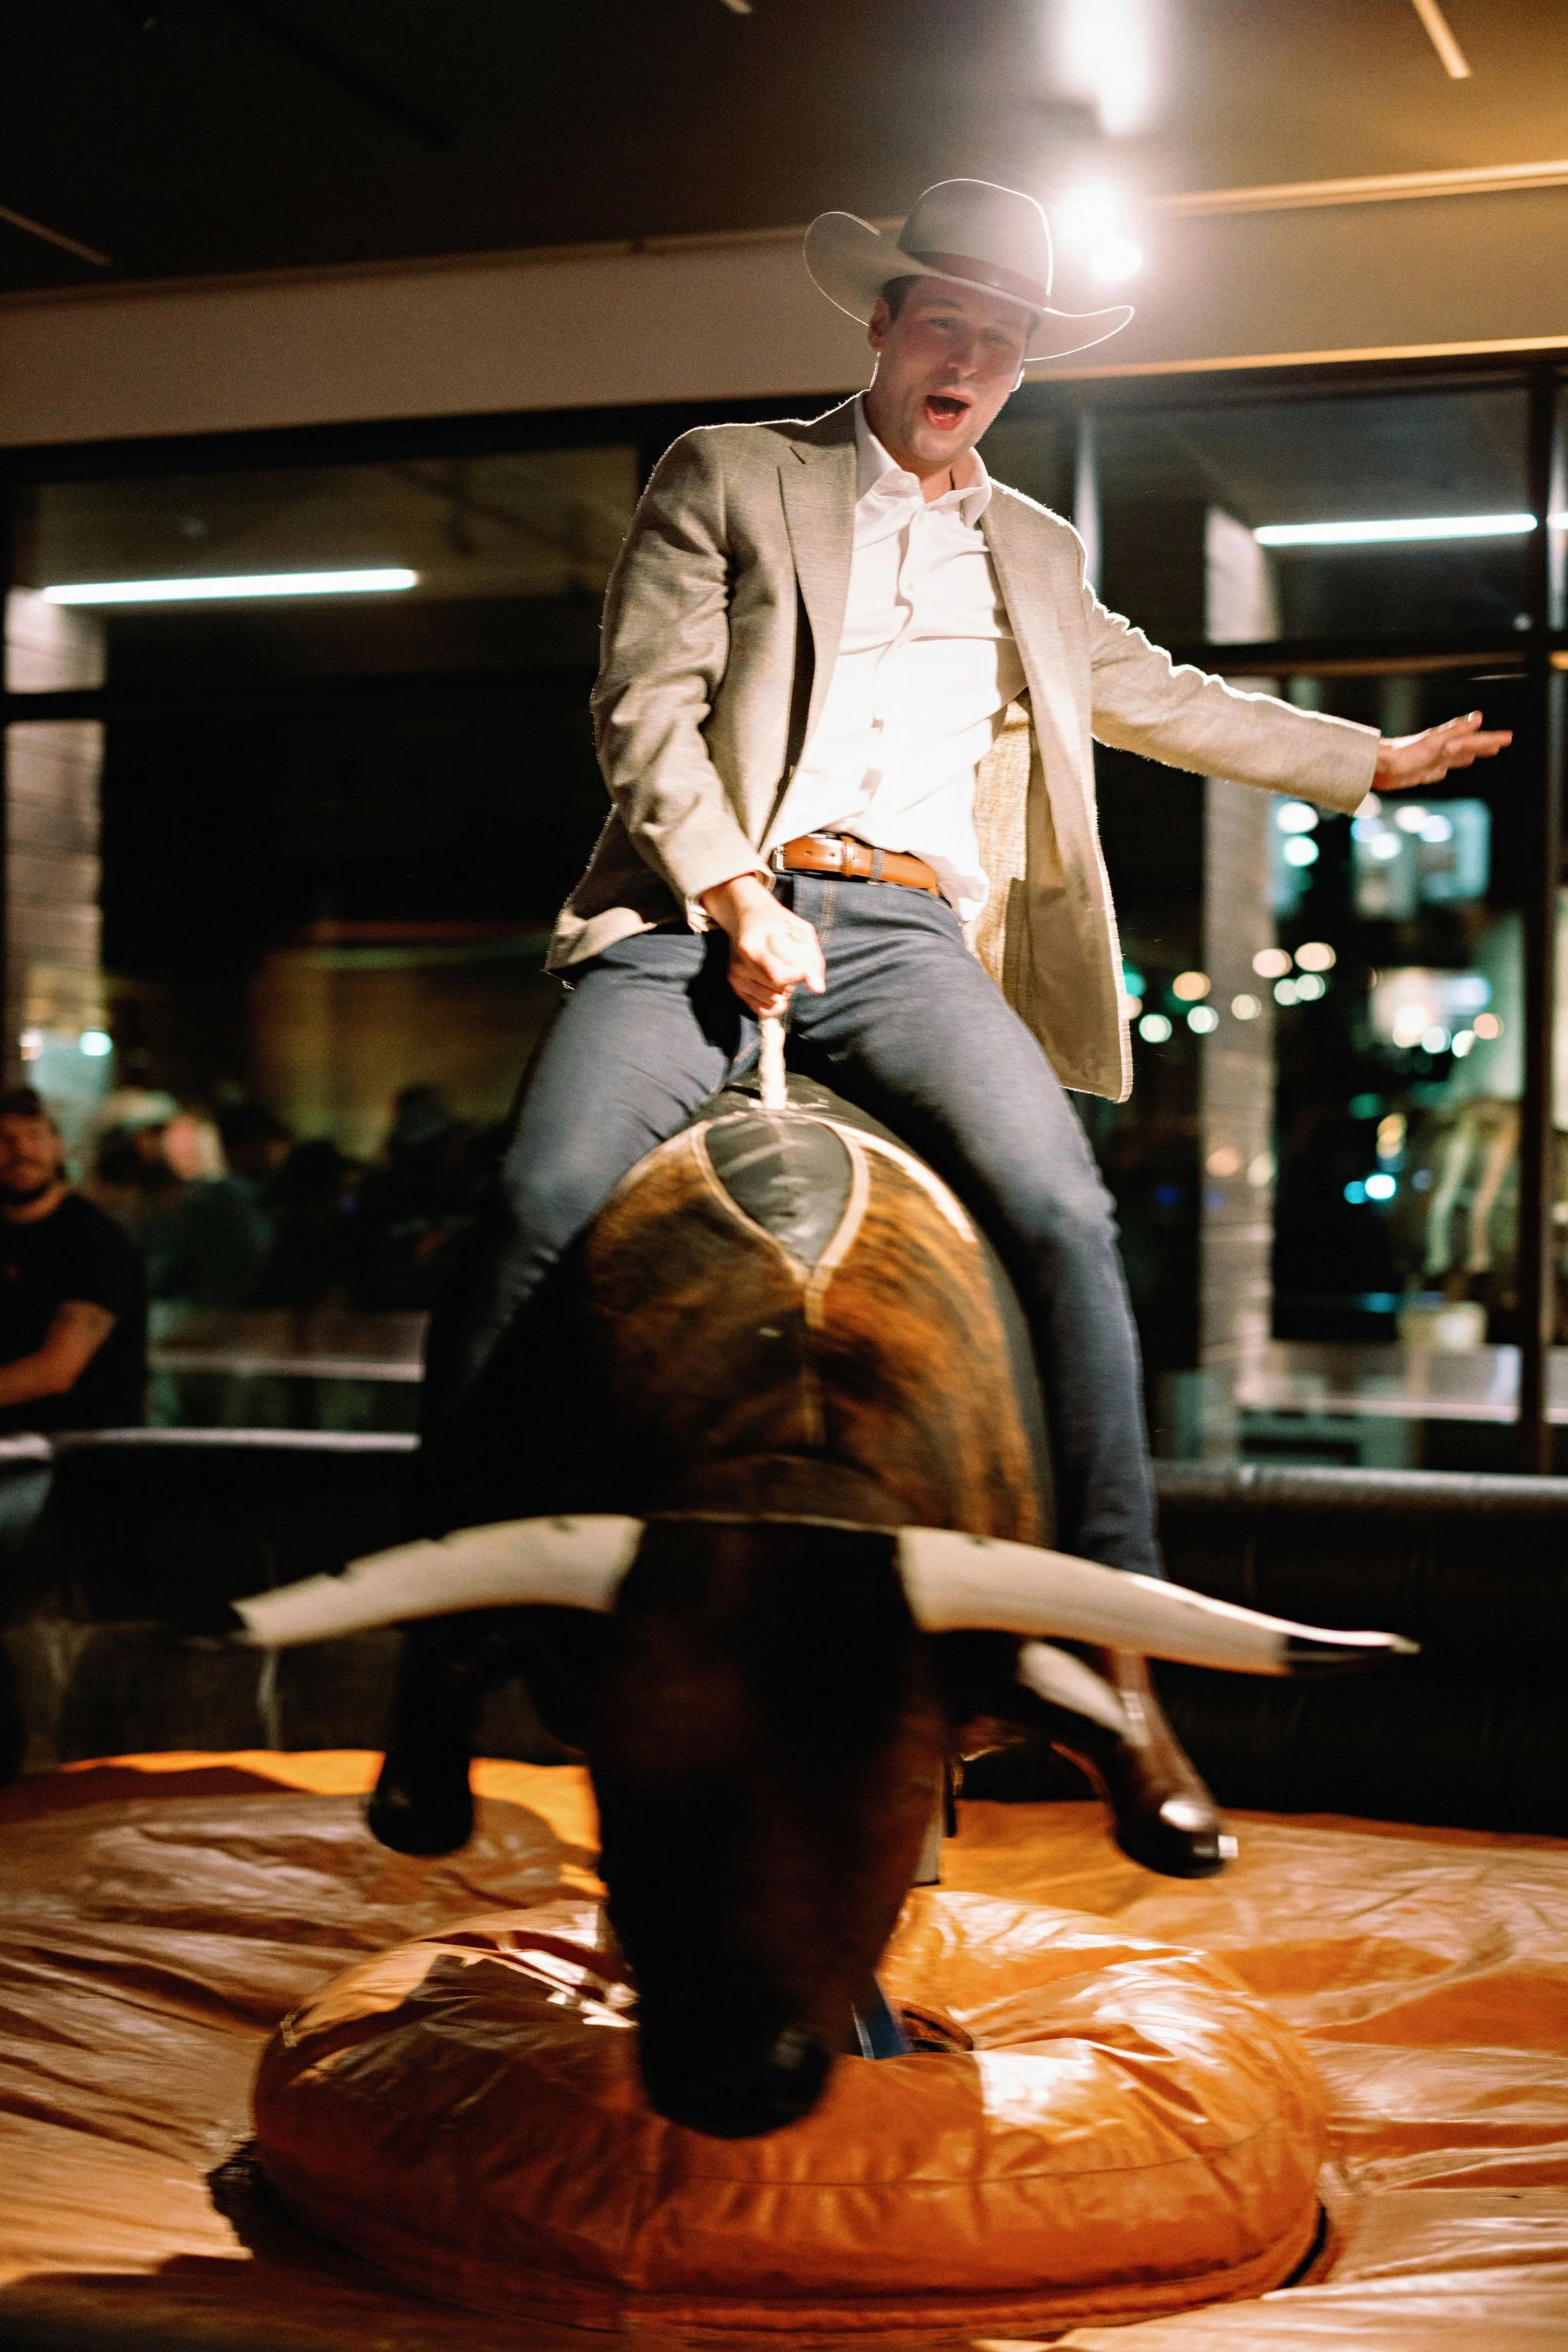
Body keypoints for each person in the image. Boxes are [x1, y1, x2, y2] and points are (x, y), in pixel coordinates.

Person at [419, 179, 1511, 1873]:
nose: (971, 361)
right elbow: (640, 708)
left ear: (1017, 372)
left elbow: (1156, 695)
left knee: (1068, 1216)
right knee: (537, 1201)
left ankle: (1108, 1659)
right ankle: (450, 1639)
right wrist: (729, 898)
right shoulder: (731, 471)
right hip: (704, 910)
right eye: (948, 326)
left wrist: (1366, 762)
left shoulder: (1037, 546)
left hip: (916, 933)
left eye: (1003, 344)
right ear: (884, 326)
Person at [0, 1086, 147, 1432]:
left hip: (86, 1457)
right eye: (4, 1139)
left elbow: (57, 1370)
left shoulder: (96, 1240)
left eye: (33, 1136)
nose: (21, 1150)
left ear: (57, 1145)